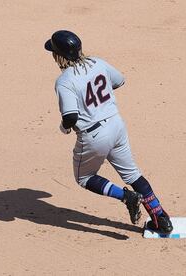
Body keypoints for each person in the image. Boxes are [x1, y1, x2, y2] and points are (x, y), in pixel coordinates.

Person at [44, 30, 173, 233]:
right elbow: (119, 80)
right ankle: (161, 219)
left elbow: (70, 117)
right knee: (133, 175)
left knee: (84, 178)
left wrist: (65, 127)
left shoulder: (64, 81)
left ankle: (125, 197)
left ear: (58, 55)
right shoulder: (97, 63)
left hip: (94, 136)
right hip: (116, 125)